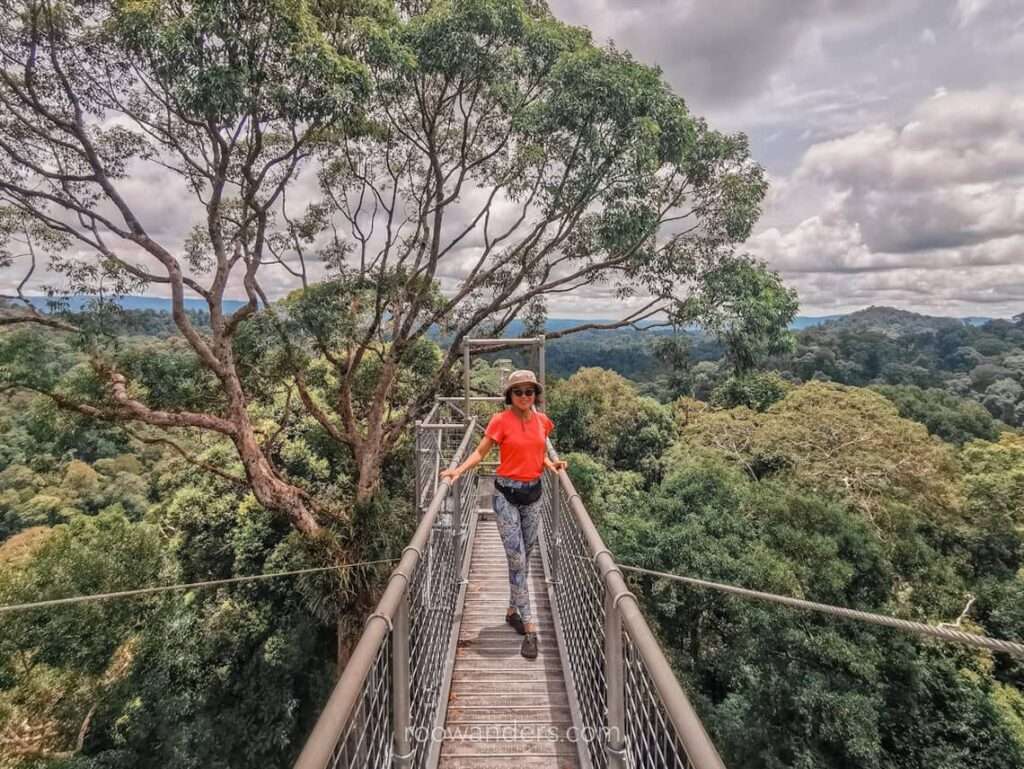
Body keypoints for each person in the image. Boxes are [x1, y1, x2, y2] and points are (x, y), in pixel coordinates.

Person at [440, 370, 566, 659]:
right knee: (517, 559)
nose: (525, 396)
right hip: (506, 496)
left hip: (533, 495)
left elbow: (537, 452)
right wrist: (457, 471)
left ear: (535, 394)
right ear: (509, 395)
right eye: (518, 392)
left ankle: (512, 611)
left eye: (529, 391)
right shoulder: (500, 421)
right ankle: (531, 628)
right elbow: (481, 453)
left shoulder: (542, 422)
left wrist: (552, 465)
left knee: (526, 555)